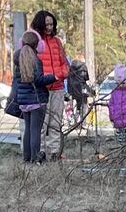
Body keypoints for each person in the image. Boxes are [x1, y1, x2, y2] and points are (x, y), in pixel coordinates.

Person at [31, 11, 69, 160]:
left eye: (51, 24)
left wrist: (62, 73)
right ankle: (40, 152)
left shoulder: (57, 41)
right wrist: (44, 78)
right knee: (42, 123)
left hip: (58, 87)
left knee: (56, 122)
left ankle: (55, 152)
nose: (49, 27)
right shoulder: (35, 41)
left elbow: (64, 62)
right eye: (46, 24)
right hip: (42, 89)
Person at [11, 30, 49, 163]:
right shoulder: (36, 61)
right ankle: (35, 159)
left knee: (28, 130)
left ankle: (26, 158)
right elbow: (39, 80)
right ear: (37, 46)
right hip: (37, 101)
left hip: (23, 102)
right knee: (36, 131)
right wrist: (53, 77)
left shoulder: (18, 61)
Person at [67, 57, 93, 133]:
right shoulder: (83, 67)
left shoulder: (70, 67)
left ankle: (73, 122)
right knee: (83, 106)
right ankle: (83, 122)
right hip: (81, 89)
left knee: (74, 107)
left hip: (72, 89)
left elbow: (68, 78)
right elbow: (86, 78)